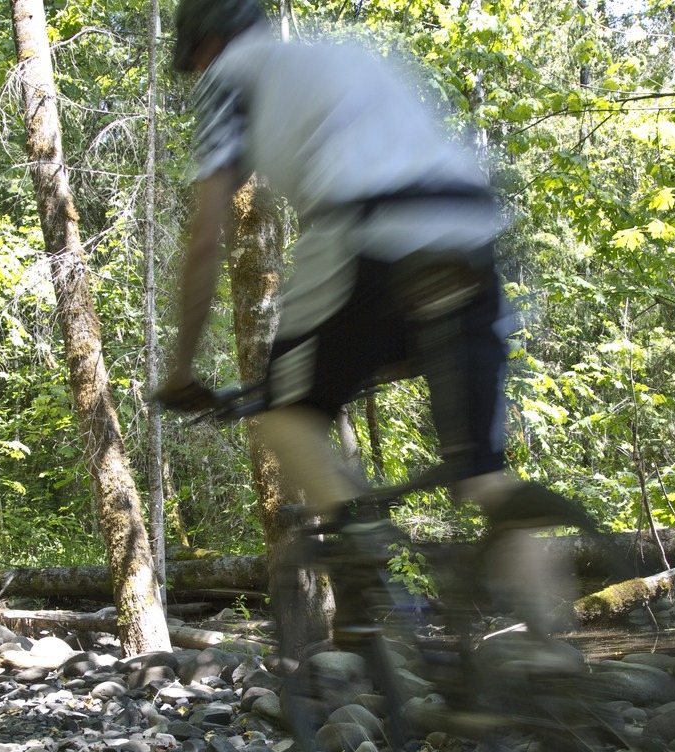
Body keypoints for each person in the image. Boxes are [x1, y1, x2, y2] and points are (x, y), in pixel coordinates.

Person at [155, 0, 574, 639]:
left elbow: (206, 239)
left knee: (286, 412)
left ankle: (362, 535)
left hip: (368, 234)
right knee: (488, 479)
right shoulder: (347, 54)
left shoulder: (228, 79)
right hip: (469, 232)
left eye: (195, 63)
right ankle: (551, 662)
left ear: (206, 45)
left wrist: (182, 368)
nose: (199, 74)